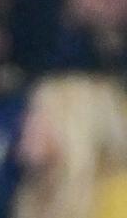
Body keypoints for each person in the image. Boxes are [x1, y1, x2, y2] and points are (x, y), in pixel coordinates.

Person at [13, 74, 127, 218]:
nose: (24, 122)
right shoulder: (32, 195)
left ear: (71, 126)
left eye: (38, 112)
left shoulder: (119, 198)